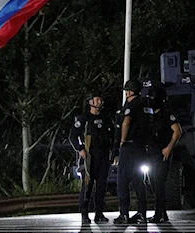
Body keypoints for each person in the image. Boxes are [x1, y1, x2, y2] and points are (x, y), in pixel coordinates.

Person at [69, 90, 114, 224]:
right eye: (96, 99)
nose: (99, 102)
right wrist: (80, 149)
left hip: (104, 155)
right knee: (87, 185)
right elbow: (73, 136)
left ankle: (99, 213)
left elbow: (113, 135)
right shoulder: (84, 119)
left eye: (100, 99)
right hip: (89, 155)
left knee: (101, 185)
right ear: (90, 102)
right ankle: (84, 214)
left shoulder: (106, 118)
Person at [113, 79, 152, 224]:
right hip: (141, 148)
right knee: (138, 181)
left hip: (129, 147)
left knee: (123, 181)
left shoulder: (132, 105)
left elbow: (126, 122)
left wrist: (122, 141)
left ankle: (124, 213)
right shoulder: (145, 105)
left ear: (129, 91)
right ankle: (142, 213)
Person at [145, 84, 182, 223]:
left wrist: (169, 148)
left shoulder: (167, 113)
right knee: (152, 183)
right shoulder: (148, 114)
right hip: (150, 152)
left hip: (162, 152)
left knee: (159, 183)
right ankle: (161, 212)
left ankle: (159, 213)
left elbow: (177, 132)